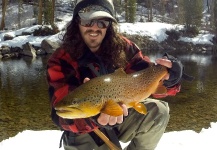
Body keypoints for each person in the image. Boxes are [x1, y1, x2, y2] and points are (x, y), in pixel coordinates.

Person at [46, 0, 185, 149]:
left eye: (102, 22)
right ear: (77, 22)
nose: (94, 28)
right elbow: (60, 116)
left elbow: (148, 79)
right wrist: (95, 118)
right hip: (82, 130)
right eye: (87, 21)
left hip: (122, 116)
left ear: (109, 26)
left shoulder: (124, 48)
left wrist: (171, 78)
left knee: (158, 112)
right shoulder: (61, 59)